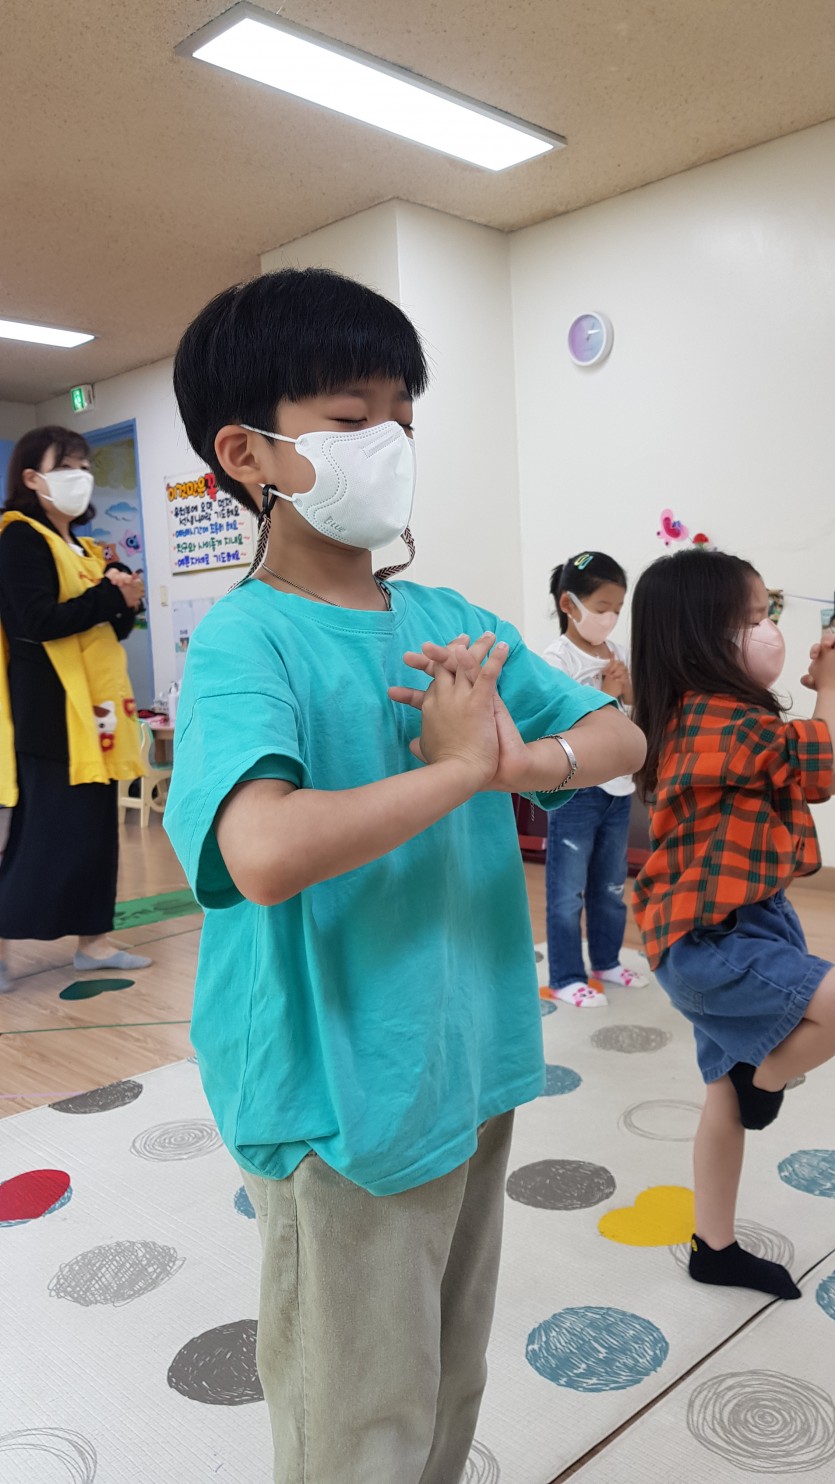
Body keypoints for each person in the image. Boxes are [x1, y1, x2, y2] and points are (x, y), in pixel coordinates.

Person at [164, 267, 645, 1484]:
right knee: (355, 1410)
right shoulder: (246, 637)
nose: (390, 444)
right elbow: (260, 850)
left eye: (406, 420)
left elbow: (621, 741)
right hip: (340, 1086)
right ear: (252, 452)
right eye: (350, 416)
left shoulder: (443, 613)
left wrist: (509, 758)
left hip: (471, 1052)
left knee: (446, 1373)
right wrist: (454, 770)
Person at [631, 548, 835, 1300]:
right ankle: (766, 1072)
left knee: (722, 1103)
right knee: (754, 1074)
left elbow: (796, 766)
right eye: (749, 620)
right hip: (708, 939)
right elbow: (819, 768)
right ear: (696, 637)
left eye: (766, 616)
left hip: (746, 921)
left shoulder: (726, 714)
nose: (768, 633)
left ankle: (711, 1246)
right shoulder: (705, 715)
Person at [0, 426, 151, 991]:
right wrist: (112, 597)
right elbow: (36, 622)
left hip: (99, 714)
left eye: (85, 464)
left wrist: (122, 602)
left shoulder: (86, 549)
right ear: (32, 477)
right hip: (50, 714)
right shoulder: (18, 538)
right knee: (40, 836)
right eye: (66, 464)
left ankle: (95, 943)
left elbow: (105, 626)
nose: (80, 475)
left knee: (93, 833)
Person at [541, 552, 647, 1006]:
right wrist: (605, 695)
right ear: (570, 605)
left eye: (617, 610)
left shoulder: (619, 654)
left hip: (619, 789)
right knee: (568, 892)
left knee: (610, 886)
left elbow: (632, 717)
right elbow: (557, 728)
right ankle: (566, 976)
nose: (610, 618)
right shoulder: (555, 660)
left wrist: (628, 692)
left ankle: (605, 960)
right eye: (602, 607)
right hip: (575, 793)